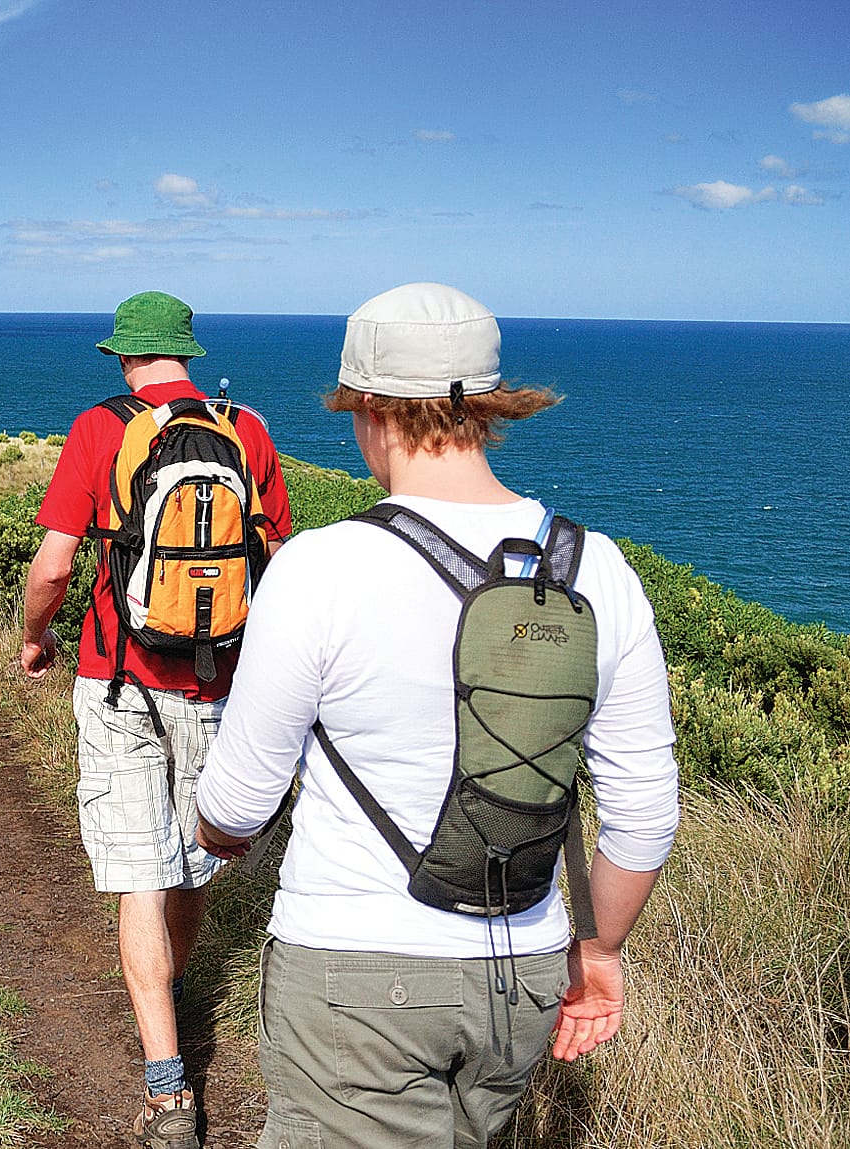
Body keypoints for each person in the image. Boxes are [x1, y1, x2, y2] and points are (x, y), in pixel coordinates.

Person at [194, 283, 679, 1148]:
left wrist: (217, 833)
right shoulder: (597, 568)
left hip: (350, 970)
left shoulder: (321, 566)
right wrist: (596, 955)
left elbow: (236, 804)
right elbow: (642, 816)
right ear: (488, 403)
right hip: (520, 973)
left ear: (371, 406)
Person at [20, 290, 291, 1149]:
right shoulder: (244, 429)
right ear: (186, 351)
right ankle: (168, 991)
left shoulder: (99, 427)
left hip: (118, 679)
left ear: (121, 356)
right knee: (184, 866)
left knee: (140, 867)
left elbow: (55, 566)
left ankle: (168, 1092)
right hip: (220, 683)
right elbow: (280, 567)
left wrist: (33, 638)